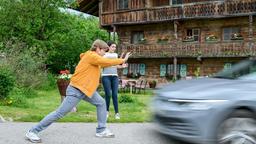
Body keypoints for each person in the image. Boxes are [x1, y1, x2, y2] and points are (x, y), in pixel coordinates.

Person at [25, 39, 131, 143]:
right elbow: (105, 61)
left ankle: (101, 130)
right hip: (76, 89)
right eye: (104, 51)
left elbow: (105, 63)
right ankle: (32, 131)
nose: (105, 53)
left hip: (86, 90)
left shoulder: (94, 59)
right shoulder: (91, 55)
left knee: (101, 103)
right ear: (98, 49)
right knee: (59, 113)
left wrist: (119, 65)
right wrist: (123, 60)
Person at [101, 41, 127, 120]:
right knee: (108, 94)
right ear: (108, 47)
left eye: (115, 47)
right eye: (113, 46)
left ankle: (117, 113)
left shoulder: (115, 55)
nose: (114, 48)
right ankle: (106, 112)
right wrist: (113, 63)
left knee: (115, 95)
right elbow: (103, 64)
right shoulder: (104, 55)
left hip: (115, 77)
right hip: (106, 76)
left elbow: (116, 65)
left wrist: (122, 66)